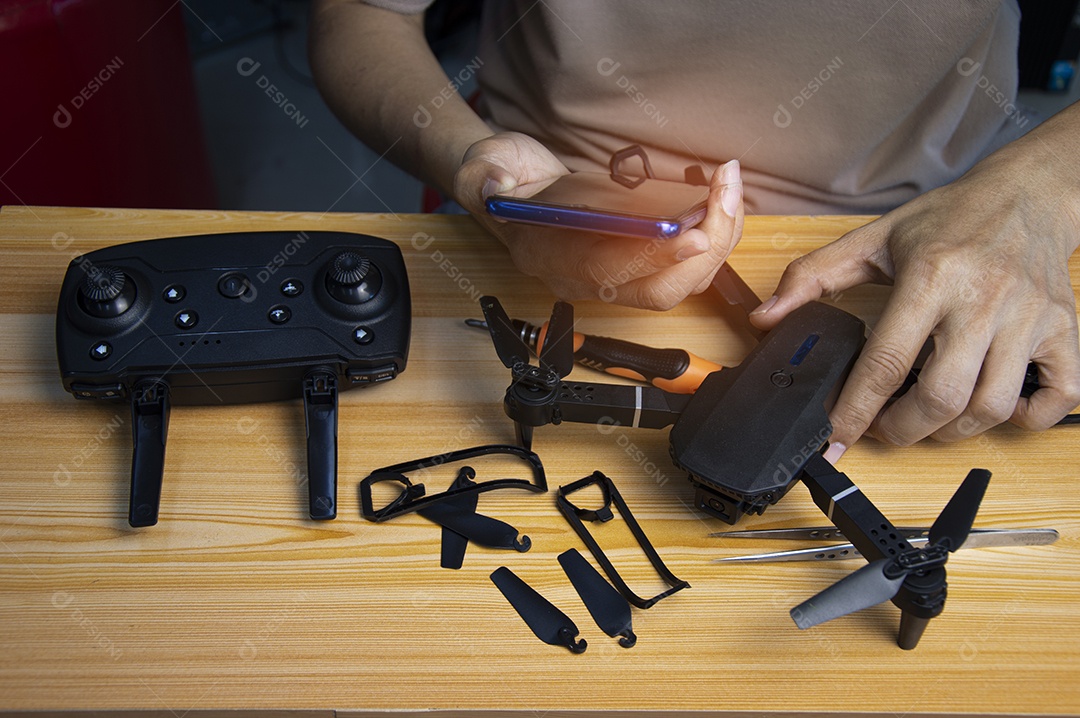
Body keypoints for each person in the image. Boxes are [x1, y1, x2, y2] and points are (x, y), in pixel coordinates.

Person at [308, 0, 1080, 460]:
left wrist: (1038, 193)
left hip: (925, 222)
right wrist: (477, 167)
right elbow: (362, 13)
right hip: (552, 194)